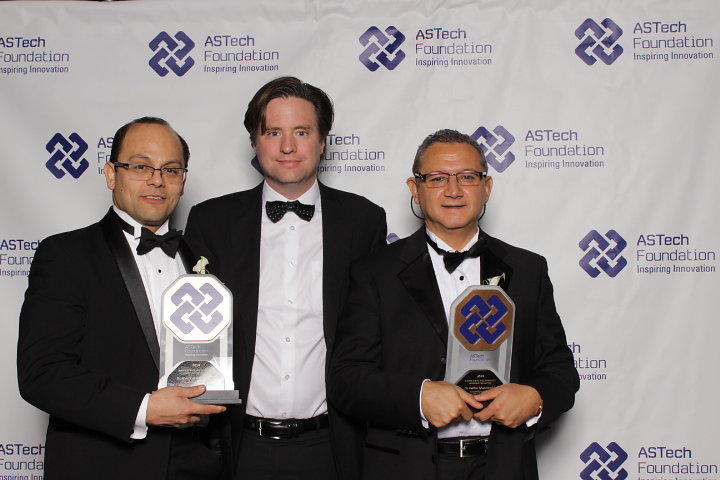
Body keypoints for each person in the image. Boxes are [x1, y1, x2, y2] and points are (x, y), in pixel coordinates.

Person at [328, 129, 579, 480]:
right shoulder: (374, 272)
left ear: (487, 186)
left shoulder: (527, 269)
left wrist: (535, 399)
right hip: (405, 467)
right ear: (414, 189)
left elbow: (559, 369)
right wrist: (418, 397)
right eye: (437, 178)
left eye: (467, 177)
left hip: (503, 467)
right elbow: (346, 379)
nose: (454, 190)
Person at [185, 76, 387, 480]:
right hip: (237, 447)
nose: (288, 146)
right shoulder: (211, 221)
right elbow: (192, 339)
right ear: (255, 143)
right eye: (273, 132)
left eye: (302, 132)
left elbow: (375, 336)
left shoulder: (363, 221)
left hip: (333, 447)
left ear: (323, 141)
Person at [17, 117, 226, 480]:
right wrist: (144, 408)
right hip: (106, 462)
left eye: (171, 169)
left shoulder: (202, 257)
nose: (157, 180)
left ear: (183, 181)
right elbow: (43, 374)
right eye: (141, 166)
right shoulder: (66, 255)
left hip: (198, 464)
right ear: (111, 174)